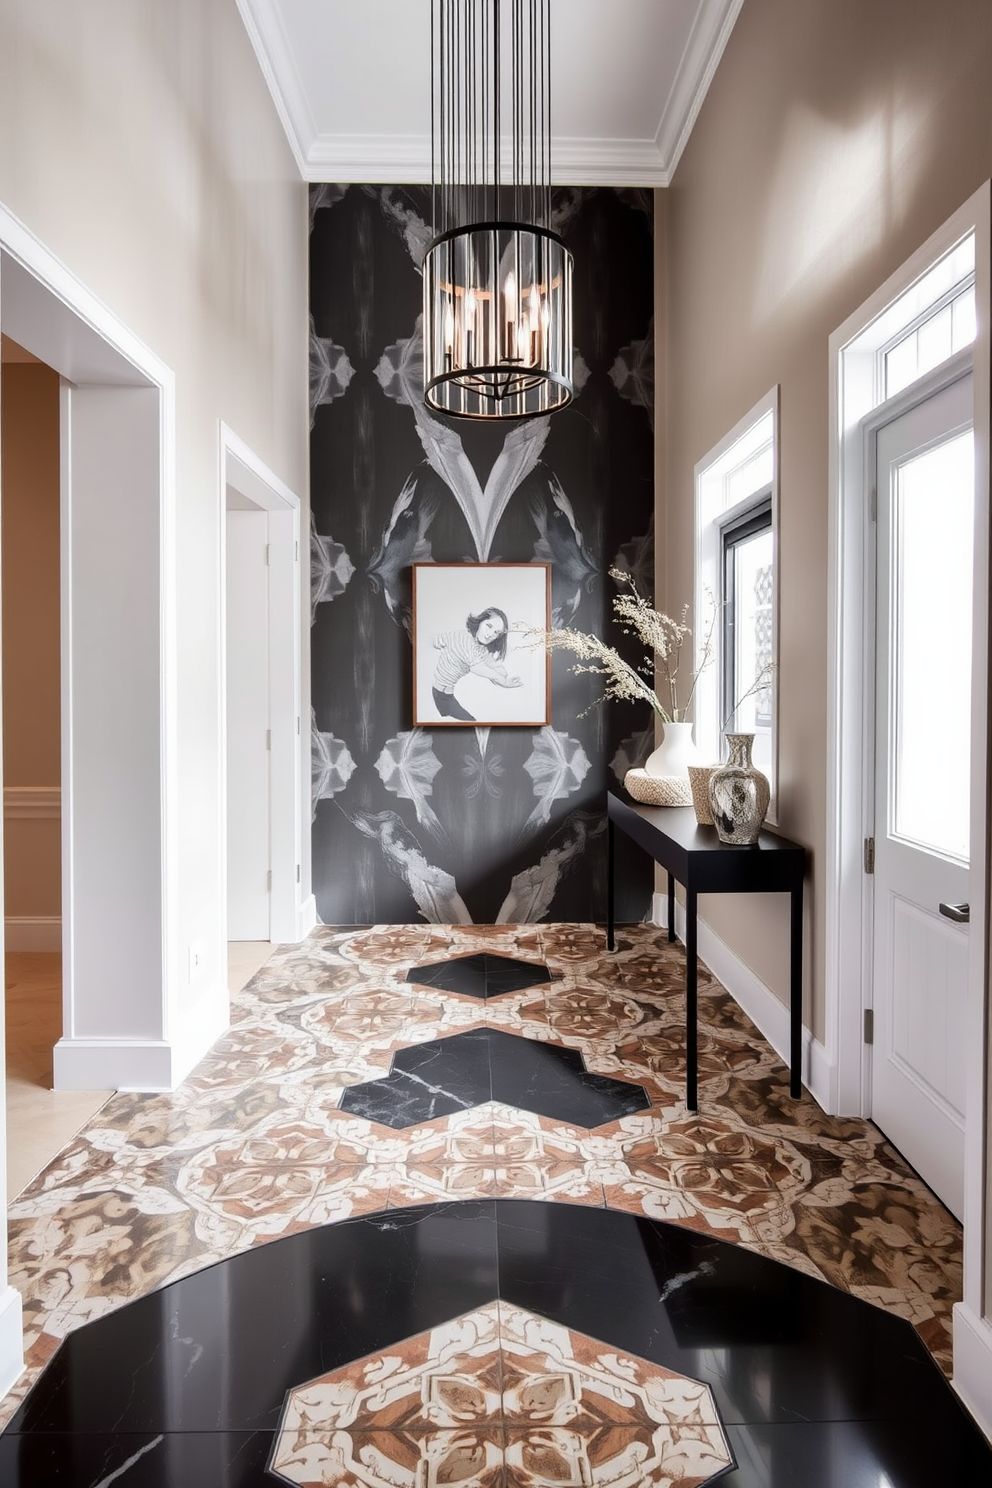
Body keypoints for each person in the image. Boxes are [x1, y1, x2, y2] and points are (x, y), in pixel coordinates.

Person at [431, 607, 523, 721]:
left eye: (496, 633)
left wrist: (505, 678)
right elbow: (479, 667)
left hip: (447, 694)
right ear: (480, 621)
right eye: (489, 626)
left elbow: (493, 664)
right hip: (440, 695)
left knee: (470, 723)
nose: (490, 634)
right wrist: (504, 681)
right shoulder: (465, 639)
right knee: (471, 723)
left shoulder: (480, 647)